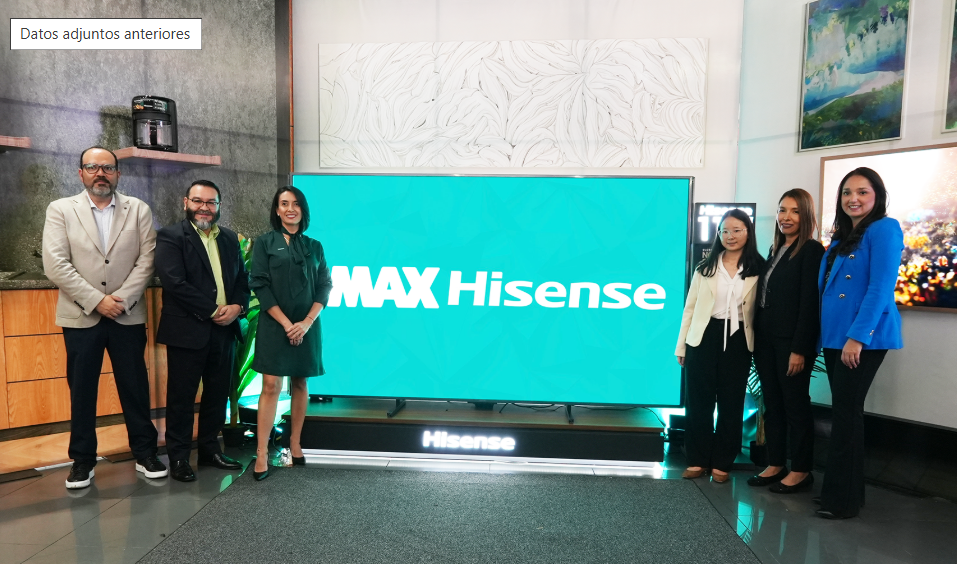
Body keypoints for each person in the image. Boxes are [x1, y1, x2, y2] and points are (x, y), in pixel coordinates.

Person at [42, 146, 167, 489]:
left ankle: (145, 453)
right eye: (92, 167)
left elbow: (147, 260)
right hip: (81, 316)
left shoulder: (138, 209)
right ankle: (82, 461)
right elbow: (55, 264)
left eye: (108, 168)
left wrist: (120, 301)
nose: (101, 173)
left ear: (118, 174)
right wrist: (97, 301)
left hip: (127, 315)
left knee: (135, 387)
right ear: (80, 173)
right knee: (82, 390)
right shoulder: (60, 209)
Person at [816, 167, 903, 519]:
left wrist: (857, 337)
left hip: (862, 337)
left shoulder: (884, 228)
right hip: (835, 335)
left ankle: (842, 501)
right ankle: (845, 493)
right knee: (845, 412)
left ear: (877, 196)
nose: (853, 198)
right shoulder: (843, 237)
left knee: (846, 414)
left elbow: (880, 287)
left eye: (862, 192)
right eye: (847, 192)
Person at [155, 180, 250, 482]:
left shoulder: (230, 238)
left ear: (219, 206)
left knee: (217, 395)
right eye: (198, 201)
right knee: (181, 397)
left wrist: (237, 307)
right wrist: (213, 310)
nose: (204, 208)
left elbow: (242, 279)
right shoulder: (171, 236)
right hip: (187, 330)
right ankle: (179, 457)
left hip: (224, 330)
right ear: (186, 203)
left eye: (211, 202)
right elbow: (174, 282)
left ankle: (210, 450)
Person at [249, 186, 333, 480]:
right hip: (275, 324)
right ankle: (261, 452)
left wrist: (306, 323)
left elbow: (324, 286)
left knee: (300, 382)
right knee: (270, 385)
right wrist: (287, 324)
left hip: (307, 325)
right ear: (277, 210)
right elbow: (259, 284)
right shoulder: (264, 243)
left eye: (296, 204)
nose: (290, 209)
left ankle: (295, 443)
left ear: (303, 210)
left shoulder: (315, 246)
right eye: (284, 204)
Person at [676, 209, 765, 483]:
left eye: (737, 230)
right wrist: (682, 346)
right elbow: (689, 309)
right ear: (718, 234)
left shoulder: (759, 268)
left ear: (748, 232)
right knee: (698, 401)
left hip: (739, 339)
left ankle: (723, 462)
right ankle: (697, 459)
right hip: (703, 337)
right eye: (725, 231)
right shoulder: (705, 267)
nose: (730, 236)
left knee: (731, 402)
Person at [748, 189, 825, 493]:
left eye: (794, 211)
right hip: (766, 340)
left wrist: (799, 349)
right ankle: (776, 463)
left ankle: (802, 470)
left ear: (806, 215)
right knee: (773, 405)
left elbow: (809, 303)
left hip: (790, 343)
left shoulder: (811, 250)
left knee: (795, 405)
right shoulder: (776, 249)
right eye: (782, 210)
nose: (786, 217)